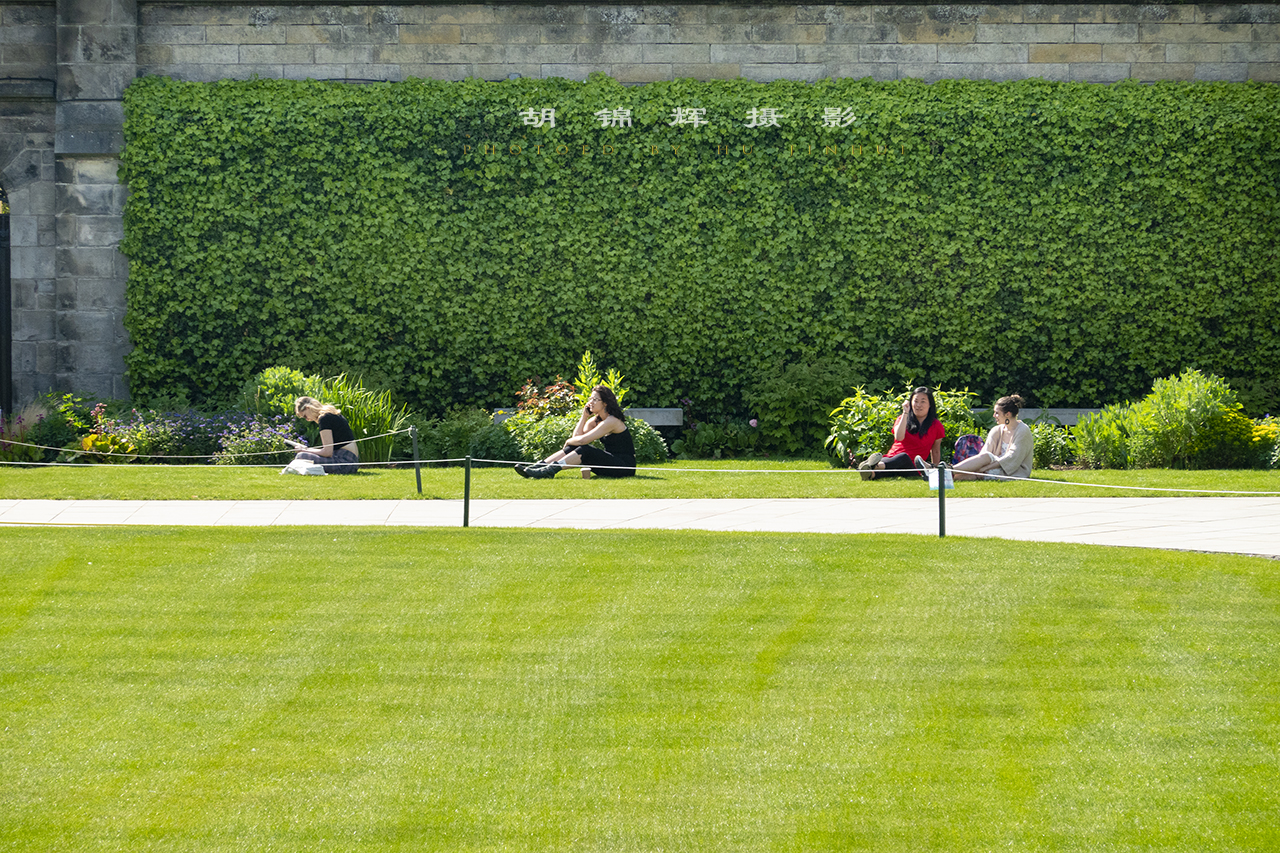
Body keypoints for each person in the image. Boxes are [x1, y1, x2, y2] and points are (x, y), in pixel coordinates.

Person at [517, 385, 636, 479]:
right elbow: (577, 440)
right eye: (590, 399)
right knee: (576, 448)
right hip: (610, 463)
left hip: (624, 466)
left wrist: (568, 441)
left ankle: (548, 471)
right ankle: (538, 467)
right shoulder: (594, 421)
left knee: (586, 450)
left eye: (595, 399)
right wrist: (584, 417)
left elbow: (583, 440)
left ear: (605, 403)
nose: (590, 402)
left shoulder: (612, 421)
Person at [859, 386, 945, 480]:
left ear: (930, 404)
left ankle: (872, 466)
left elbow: (935, 451)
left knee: (903, 457)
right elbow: (899, 437)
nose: (918, 405)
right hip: (892, 458)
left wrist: (936, 470)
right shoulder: (901, 419)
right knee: (890, 464)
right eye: (915, 401)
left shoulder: (936, 425)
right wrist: (905, 413)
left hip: (913, 467)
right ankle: (870, 473)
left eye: (923, 401)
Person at [944, 394, 1034, 481]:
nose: (994, 416)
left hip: (1014, 471)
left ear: (1008, 414)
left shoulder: (1023, 430)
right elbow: (984, 454)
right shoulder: (996, 430)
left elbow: (1012, 458)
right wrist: (981, 468)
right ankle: (947, 473)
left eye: (997, 413)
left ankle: (948, 470)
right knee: (974, 470)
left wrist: (985, 468)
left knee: (976, 472)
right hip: (991, 467)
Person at [292, 396, 360, 474]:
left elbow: (327, 452)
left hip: (344, 462)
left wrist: (304, 450)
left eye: (305, 416)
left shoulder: (324, 419)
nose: (307, 419)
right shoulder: (330, 414)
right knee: (303, 455)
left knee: (301, 456)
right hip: (350, 461)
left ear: (308, 408)